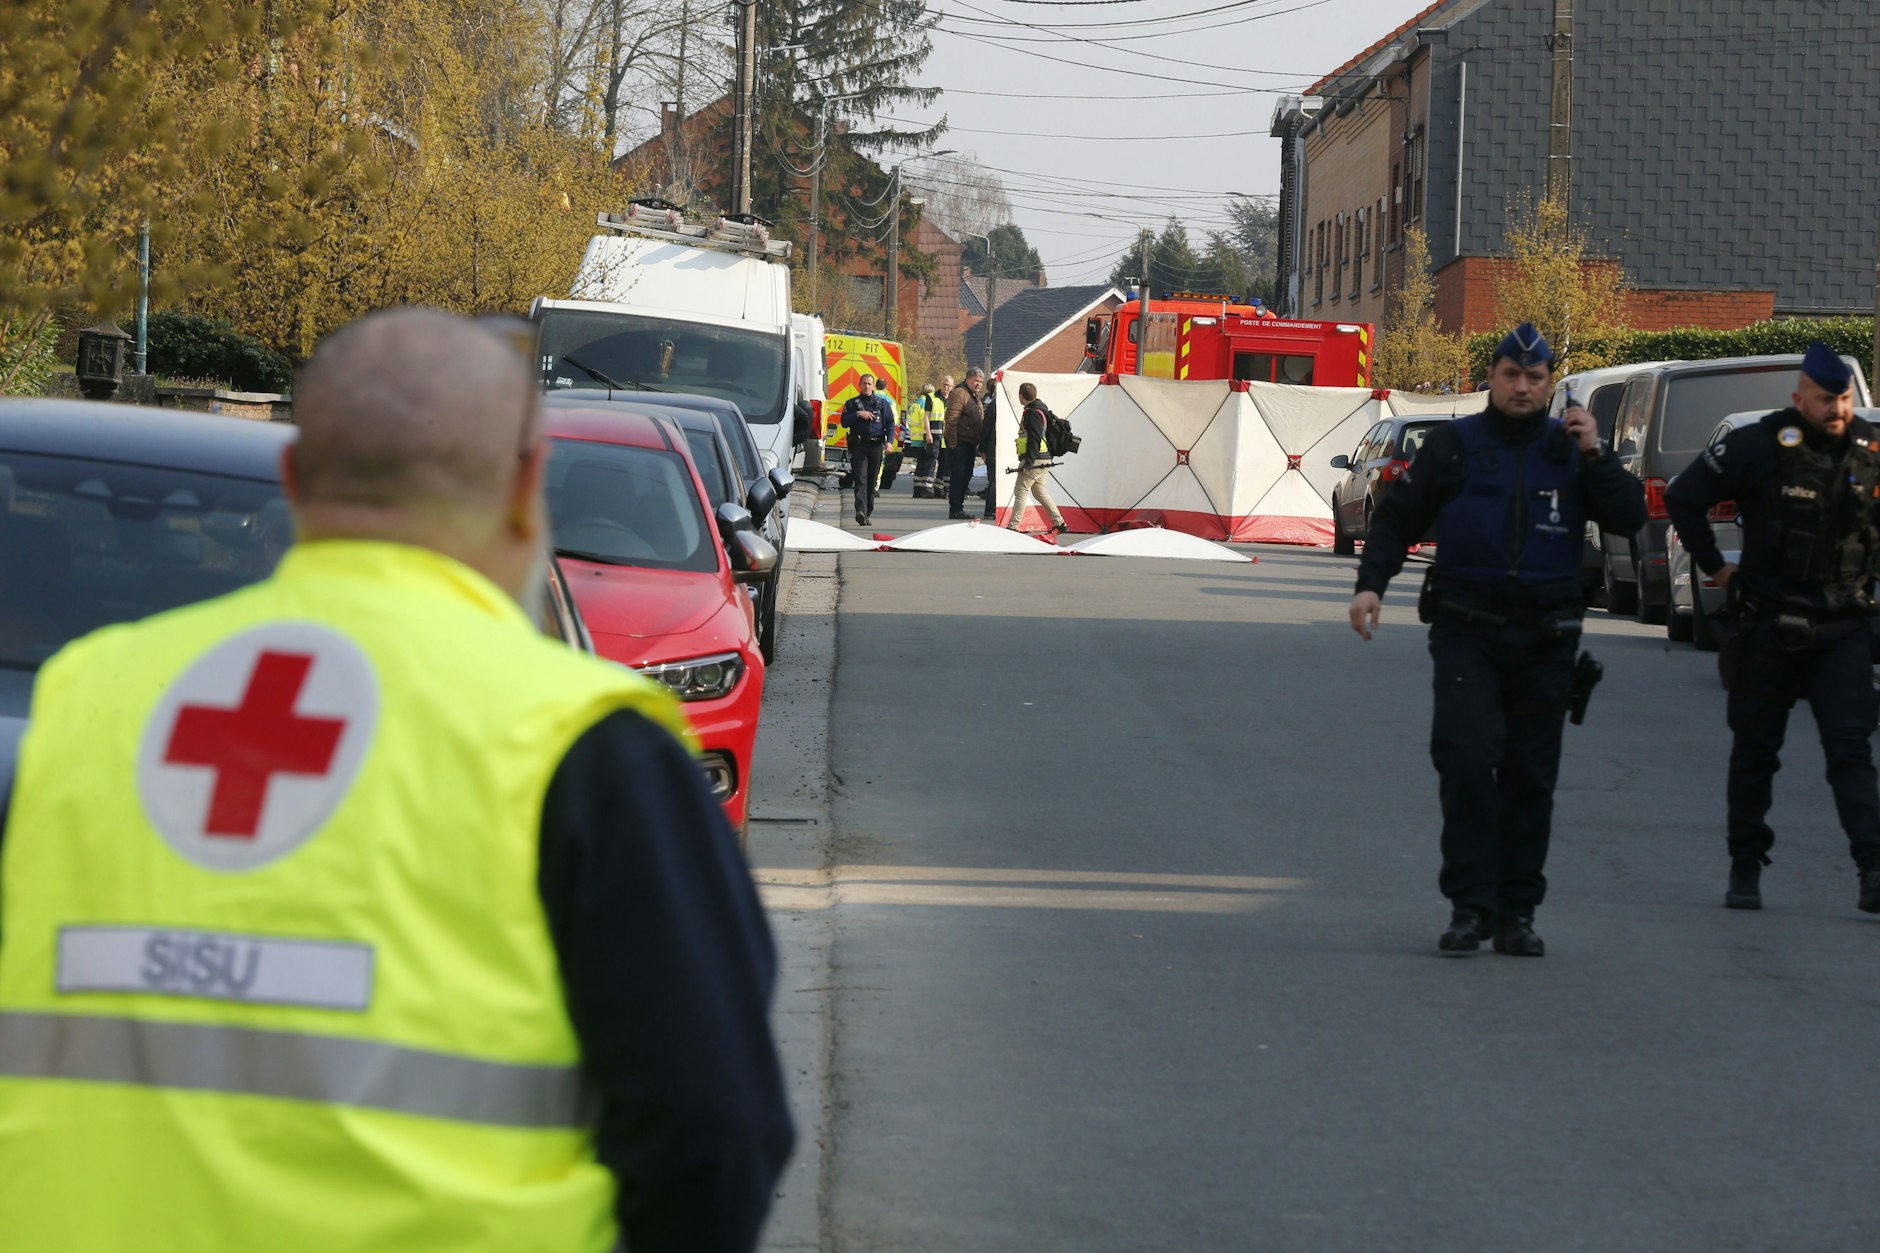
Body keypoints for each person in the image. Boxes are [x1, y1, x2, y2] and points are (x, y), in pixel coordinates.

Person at [0, 308, 793, 1251]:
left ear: (294, 480)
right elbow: (716, 1140)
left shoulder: (90, 702)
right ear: (526, 486)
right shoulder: (581, 746)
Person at [1347, 323, 1646, 957]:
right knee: (1464, 761)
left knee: (1529, 776)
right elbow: (1399, 516)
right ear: (1493, 378)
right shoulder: (1456, 444)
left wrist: (1597, 454)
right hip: (1467, 629)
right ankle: (1469, 906)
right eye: (1511, 375)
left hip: (1547, 636)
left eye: (1535, 378)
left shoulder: (1570, 449)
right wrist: (1371, 583)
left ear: (1548, 385)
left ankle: (1517, 914)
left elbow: (1628, 517)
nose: (1522, 386)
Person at [1663, 343, 1880, 914]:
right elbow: (1685, 497)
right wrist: (1714, 566)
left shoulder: (1870, 452)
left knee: (1851, 753)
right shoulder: (1759, 444)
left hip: (1844, 627)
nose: (1835, 409)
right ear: (1798, 398)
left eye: (1843, 398)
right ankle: (1744, 866)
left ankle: (1873, 868)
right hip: (1769, 625)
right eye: (1824, 399)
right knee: (1756, 752)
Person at [1007, 382, 1069, 537]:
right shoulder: (1041, 409)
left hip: (1035, 459)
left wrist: (1028, 461)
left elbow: (1034, 437)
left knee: (1020, 490)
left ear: (1021, 396)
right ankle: (1059, 523)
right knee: (1039, 491)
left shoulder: (1033, 413)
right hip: (1044, 457)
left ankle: (1013, 527)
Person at [841, 371, 893, 525]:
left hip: (876, 446)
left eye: (869, 383)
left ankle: (867, 512)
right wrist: (858, 414)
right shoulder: (852, 403)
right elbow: (844, 421)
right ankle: (860, 511)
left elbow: (890, 424)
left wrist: (889, 441)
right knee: (860, 479)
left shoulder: (882, 404)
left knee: (871, 480)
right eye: (864, 383)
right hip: (859, 446)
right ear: (859, 385)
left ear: (873, 386)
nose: (867, 386)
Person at [944, 368, 987, 519]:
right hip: (960, 443)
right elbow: (951, 420)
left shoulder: (974, 396)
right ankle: (955, 509)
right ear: (968, 379)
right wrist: (953, 444)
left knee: (966, 476)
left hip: (970, 443)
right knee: (958, 476)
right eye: (976, 380)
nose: (978, 384)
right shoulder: (960, 393)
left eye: (981, 382)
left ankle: (959, 507)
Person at [909, 382, 945, 498]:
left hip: (915, 437)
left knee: (921, 463)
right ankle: (926, 488)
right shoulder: (927, 401)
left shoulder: (916, 403)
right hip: (924, 437)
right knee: (929, 462)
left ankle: (917, 488)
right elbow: (925, 419)